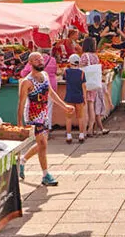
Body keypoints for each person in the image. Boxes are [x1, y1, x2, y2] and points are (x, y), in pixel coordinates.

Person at [18, 52, 75, 186]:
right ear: (30, 63)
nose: (40, 61)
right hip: (32, 115)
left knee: (42, 144)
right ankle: (45, 175)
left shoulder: (44, 76)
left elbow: (50, 93)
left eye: (41, 59)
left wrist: (64, 106)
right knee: (43, 144)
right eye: (36, 60)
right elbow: (21, 103)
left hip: (44, 114)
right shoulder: (26, 81)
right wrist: (20, 123)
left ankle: (23, 160)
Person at [79, 37, 107, 136]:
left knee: (86, 107)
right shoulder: (95, 56)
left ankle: (86, 129)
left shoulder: (84, 56)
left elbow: (81, 70)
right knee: (91, 105)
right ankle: (90, 128)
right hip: (94, 83)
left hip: (85, 84)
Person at [63, 54, 87, 143]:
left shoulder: (66, 72)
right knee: (80, 117)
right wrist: (84, 97)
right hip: (79, 97)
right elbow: (84, 86)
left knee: (68, 118)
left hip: (69, 97)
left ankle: (69, 136)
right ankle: (81, 135)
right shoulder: (82, 73)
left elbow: (65, 79)